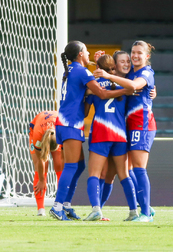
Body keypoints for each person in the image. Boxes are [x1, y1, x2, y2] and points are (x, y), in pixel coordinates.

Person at [50, 41, 134, 221]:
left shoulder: (71, 70)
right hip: (71, 123)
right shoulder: (82, 71)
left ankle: (66, 205)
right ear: (80, 53)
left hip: (66, 122)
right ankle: (57, 206)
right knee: (72, 166)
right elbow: (102, 93)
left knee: (79, 165)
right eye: (86, 51)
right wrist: (124, 91)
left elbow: (88, 95)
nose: (88, 53)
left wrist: (98, 64)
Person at [93, 40, 157, 222]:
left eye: (139, 53)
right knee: (125, 171)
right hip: (126, 126)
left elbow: (136, 86)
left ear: (147, 56)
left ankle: (145, 213)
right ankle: (145, 207)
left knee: (139, 168)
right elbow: (121, 77)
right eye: (133, 52)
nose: (135, 56)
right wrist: (101, 65)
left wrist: (109, 76)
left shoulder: (145, 72)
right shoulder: (132, 71)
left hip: (141, 123)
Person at [84, 54, 138, 221]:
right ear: (113, 67)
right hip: (120, 134)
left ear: (98, 69)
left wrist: (85, 96)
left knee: (94, 173)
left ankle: (96, 210)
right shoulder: (123, 84)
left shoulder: (94, 86)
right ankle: (134, 211)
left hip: (101, 133)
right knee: (123, 175)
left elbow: (85, 112)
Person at [29, 111, 63, 216]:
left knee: (60, 165)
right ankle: (40, 209)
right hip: (36, 130)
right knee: (40, 171)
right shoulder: (37, 136)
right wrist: (42, 181)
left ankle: (60, 205)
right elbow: (41, 160)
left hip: (55, 130)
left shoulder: (62, 129)